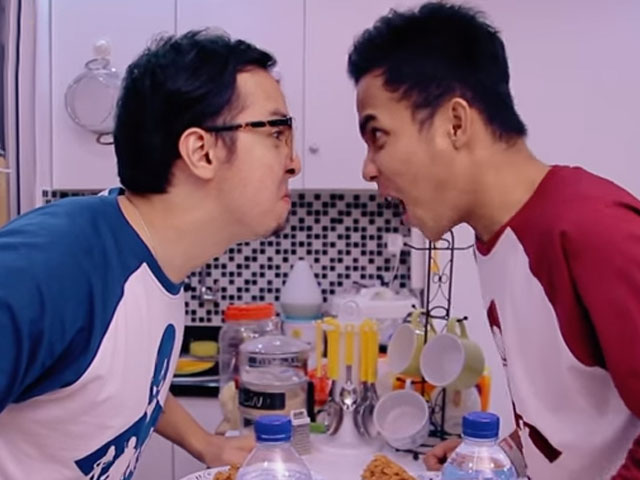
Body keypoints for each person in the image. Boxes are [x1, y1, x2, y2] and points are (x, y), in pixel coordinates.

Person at [347, 2, 640, 479]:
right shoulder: (497, 241)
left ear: (455, 124)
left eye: (378, 136)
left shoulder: (592, 229)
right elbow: (583, 424)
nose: (368, 169)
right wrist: (501, 455)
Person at [0, 29, 300, 479]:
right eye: (276, 133)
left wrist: (206, 444)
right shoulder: (51, 265)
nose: (293, 162)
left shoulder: (158, 262)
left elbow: (126, 378)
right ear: (201, 151)